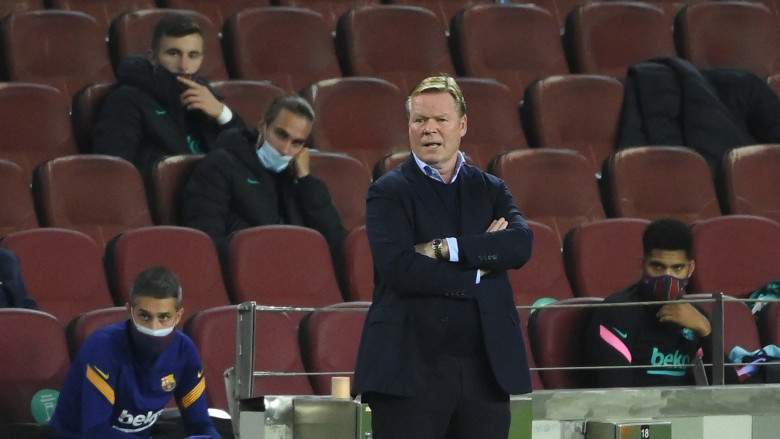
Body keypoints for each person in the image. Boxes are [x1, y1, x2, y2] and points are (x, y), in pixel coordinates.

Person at [353, 75, 534, 438]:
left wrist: (446, 248)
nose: (429, 129)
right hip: (408, 370)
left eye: (440, 119)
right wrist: (482, 265)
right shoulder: (388, 192)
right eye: (419, 120)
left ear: (462, 125)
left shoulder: (491, 189)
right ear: (409, 126)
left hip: (484, 372)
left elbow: (519, 245)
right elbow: (401, 269)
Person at [50, 266, 221, 438]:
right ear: (129, 311)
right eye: (145, 316)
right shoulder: (102, 348)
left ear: (178, 316)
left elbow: (201, 424)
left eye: (164, 317)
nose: (154, 327)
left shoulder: (185, 352)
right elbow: (96, 431)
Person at [180, 95, 346, 268]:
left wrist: (305, 180)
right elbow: (206, 238)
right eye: (281, 135)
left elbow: (336, 242)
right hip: (245, 269)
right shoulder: (220, 165)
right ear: (264, 127)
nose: (285, 149)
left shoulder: (298, 181)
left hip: (297, 271)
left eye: (296, 143)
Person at [93, 13, 244, 177]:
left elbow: (249, 162)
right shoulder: (126, 100)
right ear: (152, 57)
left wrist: (223, 114)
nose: (184, 66)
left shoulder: (208, 97)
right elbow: (114, 171)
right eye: (173, 53)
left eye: (193, 55)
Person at [584, 218, 712, 387]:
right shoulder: (616, 312)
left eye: (677, 268)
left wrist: (706, 331)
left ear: (690, 269)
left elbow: (732, 391)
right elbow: (615, 392)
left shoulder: (697, 318)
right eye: (658, 267)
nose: (667, 277)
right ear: (643, 265)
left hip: (687, 405)